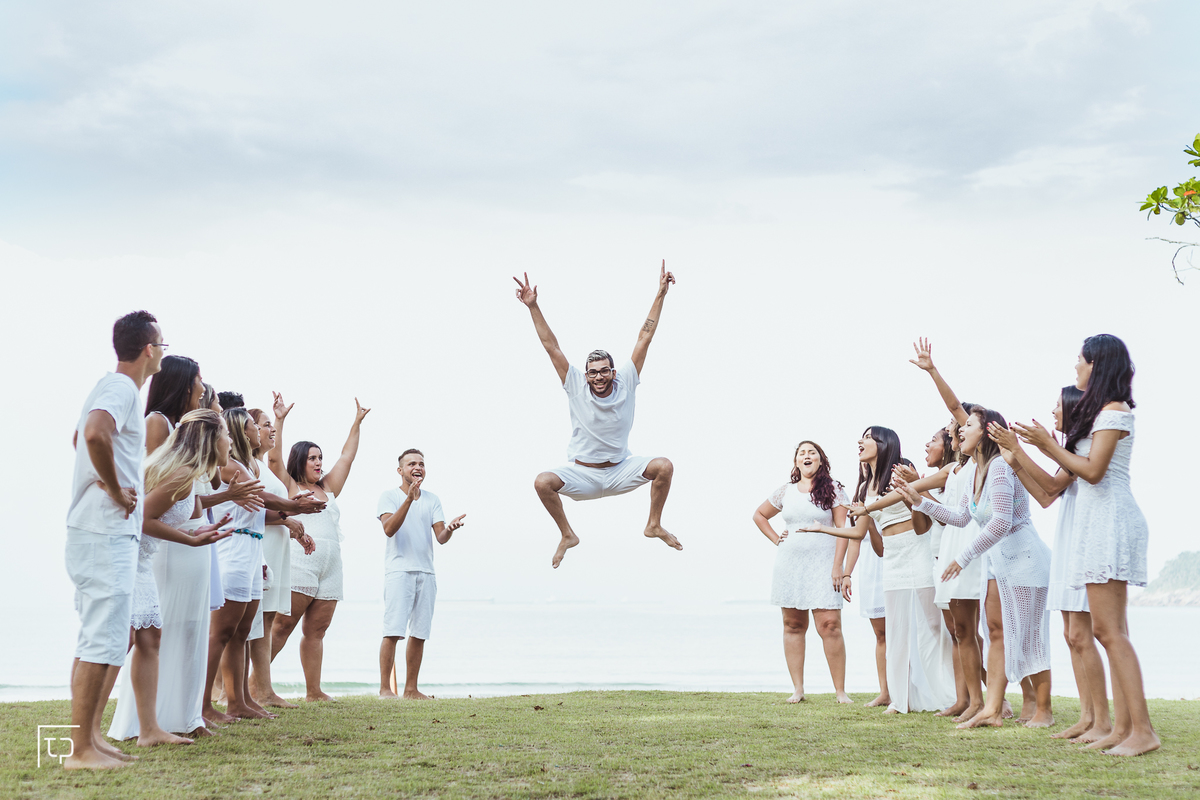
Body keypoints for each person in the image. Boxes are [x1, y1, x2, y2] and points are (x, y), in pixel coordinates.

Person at [1011, 334, 1158, 756]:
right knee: (1107, 631)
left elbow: (1093, 472)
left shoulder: (1115, 410)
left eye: (1080, 359)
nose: (1075, 366)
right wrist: (1033, 449)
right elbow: (1060, 482)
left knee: (1110, 632)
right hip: (1096, 524)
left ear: (1097, 364)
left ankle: (1142, 732)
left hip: (1111, 521)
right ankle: (1122, 729)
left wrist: (1047, 445)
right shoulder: (1102, 415)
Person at [514, 263, 682, 569]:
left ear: (613, 372)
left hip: (621, 469)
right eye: (593, 373)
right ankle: (567, 535)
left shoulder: (627, 381)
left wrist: (661, 293)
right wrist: (533, 306)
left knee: (664, 467)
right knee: (542, 482)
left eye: (604, 371)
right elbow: (550, 345)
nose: (598, 377)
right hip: (583, 474)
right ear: (586, 374)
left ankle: (653, 525)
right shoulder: (576, 385)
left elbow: (645, 336)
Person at [895, 406, 1054, 729]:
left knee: (1028, 636)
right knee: (997, 633)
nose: (960, 430)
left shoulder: (999, 468)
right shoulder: (976, 472)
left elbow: (1001, 522)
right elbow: (961, 516)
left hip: (1024, 559)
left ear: (986, 433)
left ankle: (1044, 709)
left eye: (968, 425)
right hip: (999, 563)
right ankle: (992, 710)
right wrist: (918, 500)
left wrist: (962, 558)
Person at [63, 310, 163, 769]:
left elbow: (79, 440)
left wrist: (106, 480)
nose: (163, 350)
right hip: (104, 532)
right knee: (101, 637)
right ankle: (81, 750)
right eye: (161, 342)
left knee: (103, 637)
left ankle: (90, 740)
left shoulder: (114, 390)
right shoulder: (121, 388)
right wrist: (117, 488)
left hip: (104, 530)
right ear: (149, 348)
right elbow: (92, 435)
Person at [802, 431, 950, 714]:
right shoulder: (864, 489)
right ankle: (900, 698)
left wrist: (911, 494)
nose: (860, 440)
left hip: (917, 550)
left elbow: (923, 526)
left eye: (868, 437)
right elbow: (861, 533)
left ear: (884, 444)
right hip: (892, 558)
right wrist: (822, 528)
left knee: (932, 627)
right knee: (894, 630)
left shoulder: (900, 471)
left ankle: (949, 694)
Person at [108, 410, 232, 744]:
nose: (230, 440)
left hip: (141, 558)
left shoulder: (188, 474)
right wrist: (191, 539)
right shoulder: (181, 474)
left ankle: (149, 729)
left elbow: (171, 517)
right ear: (210, 440)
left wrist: (199, 529)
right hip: (131, 559)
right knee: (126, 642)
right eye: (225, 434)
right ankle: (104, 728)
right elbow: (142, 518)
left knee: (148, 640)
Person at [269, 394, 371, 701]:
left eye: (320, 458)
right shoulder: (290, 486)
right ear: (300, 460)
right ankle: (253, 685)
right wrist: (280, 420)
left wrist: (357, 422)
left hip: (331, 565)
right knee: (282, 625)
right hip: (301, 561)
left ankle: (314, 691)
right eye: (312, 458)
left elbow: (347, 457)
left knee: (317, 631)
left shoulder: (328, 488)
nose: (318, 463)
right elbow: (273, 459)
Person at [751, 441, 853, 704]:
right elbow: (760, 515)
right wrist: (776, 539)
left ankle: (840, 691)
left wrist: (837, 567)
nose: (807, 456)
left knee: (830, 625)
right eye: (802, 453)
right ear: (796, 461)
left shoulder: (834, 490)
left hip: (824, 564)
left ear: (821, 460)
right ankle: (798, 689)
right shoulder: (785, 491)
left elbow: (844, 529)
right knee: (793, 625)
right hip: (790, 564)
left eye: (812, 453)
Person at [377, 449, 467, 699]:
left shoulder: (432, 499)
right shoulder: (389, 496)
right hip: (399, 571)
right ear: (400, 470)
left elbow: (440, 537)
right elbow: (389, 529)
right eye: (411, 464)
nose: (417, 468)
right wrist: (409, 499)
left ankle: (411, 689)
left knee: (419, 633)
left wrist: (449, 529)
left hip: (426, 573)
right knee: (393, 631)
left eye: (421, 464)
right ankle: (386, 689)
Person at [248, 407, 317, 708]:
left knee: (264, 620)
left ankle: (264, 690)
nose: (270, 431)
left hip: (275, 547)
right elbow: (246, 511)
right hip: (258, 548)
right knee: (248, 622)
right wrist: (287, 517)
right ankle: (227, 691)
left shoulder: (262, 466)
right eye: (264, 426)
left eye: (270, 426)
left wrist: (289, 524)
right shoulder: (248, 466)